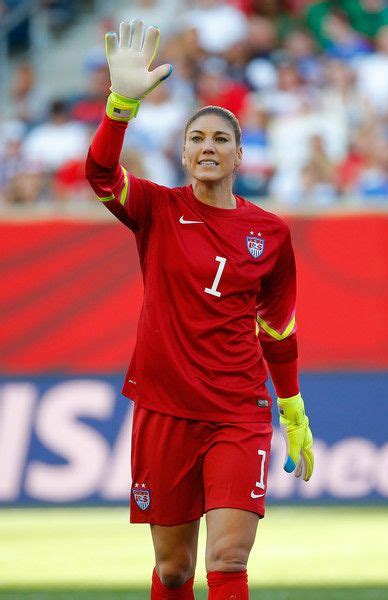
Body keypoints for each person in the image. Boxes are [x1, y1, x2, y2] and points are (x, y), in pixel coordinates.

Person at [85, 20, 314, 599]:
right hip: (165, 407)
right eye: (197, 139)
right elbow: (101, 176)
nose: (208, 147)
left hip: (238, 409)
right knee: (173, 570)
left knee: (228, 558)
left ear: (240, 153)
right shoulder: (157, 210)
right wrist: (120, 108)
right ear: (183, 152)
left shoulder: (270, 233)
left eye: (220, 140)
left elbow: (278, 328)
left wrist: (291, 411)